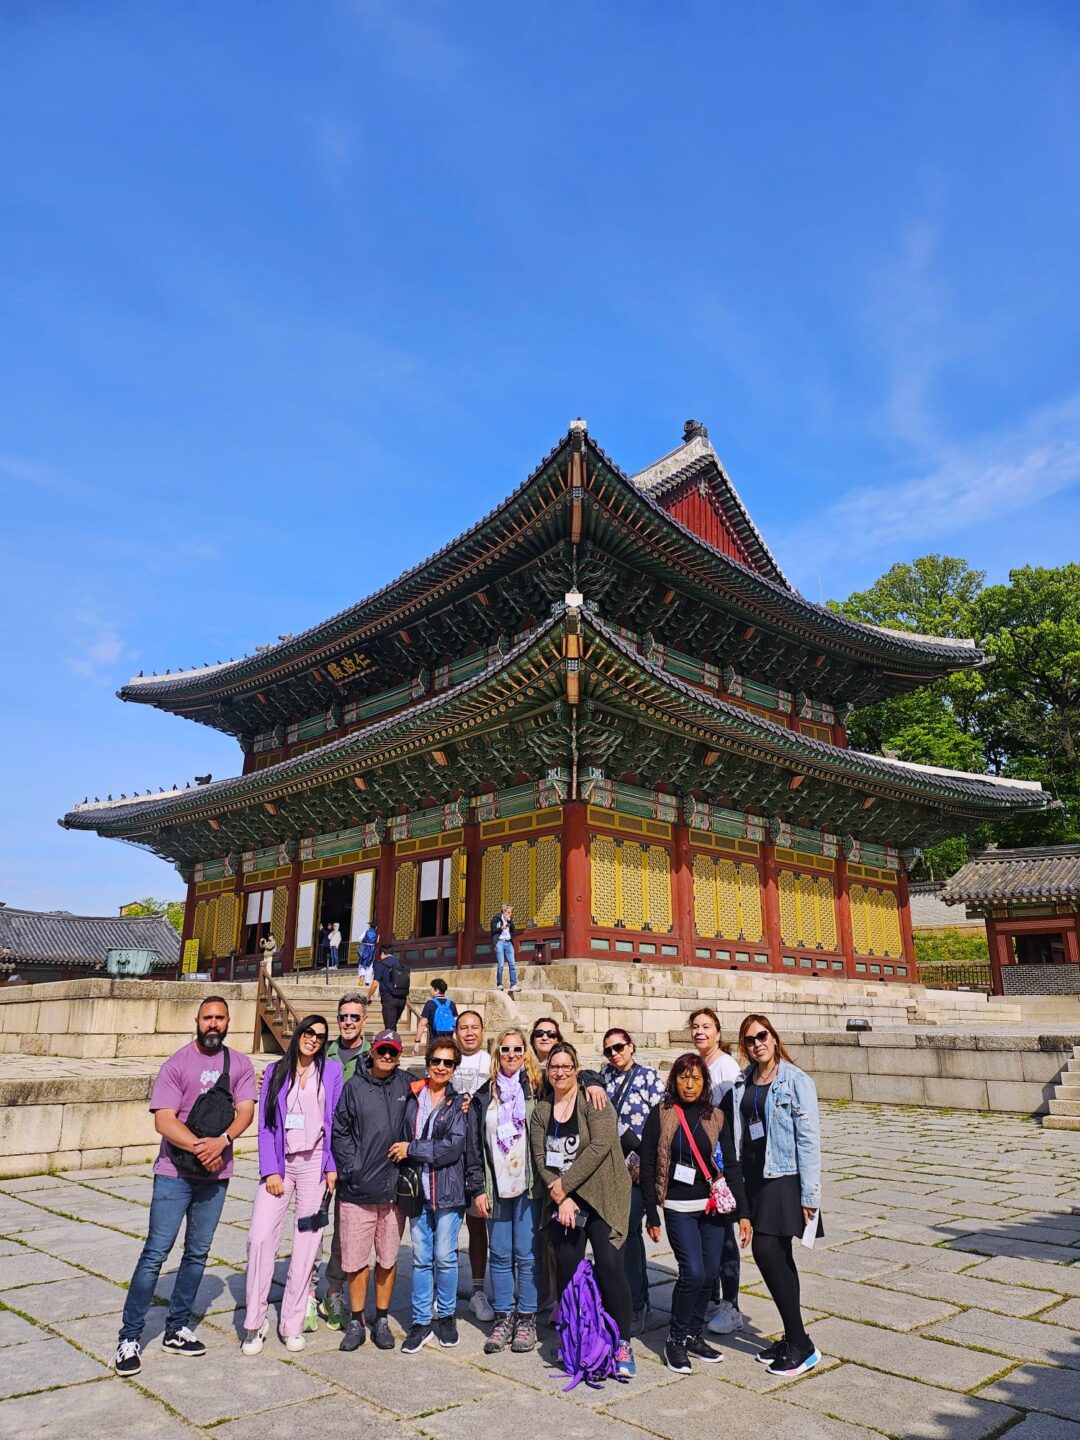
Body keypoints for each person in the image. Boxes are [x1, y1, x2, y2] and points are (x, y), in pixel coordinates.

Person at [113, 997, 256, 1377]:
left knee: (198, 1253)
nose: (213, 1024)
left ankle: (177, 1327)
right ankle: (129, 1336)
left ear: (228, 1023)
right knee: (155, 1253)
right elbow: (163, 1120)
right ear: (197, 1021)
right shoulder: (177, 1064)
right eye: (207, 1017)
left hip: (216, 1175)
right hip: (174, 1174)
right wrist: (201, 1147)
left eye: (219, 1018)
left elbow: (245, 1109)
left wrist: (222, 1141)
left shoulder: (239, 1063)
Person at [530, 1042, 636, 1379]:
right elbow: (539, 1157)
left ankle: (623, 1342)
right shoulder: (542, 1110)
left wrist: (565, 1185)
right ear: (547, 1071)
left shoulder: (594, 1099)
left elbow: (602, 1145)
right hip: (566, 1201)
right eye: (554, 1067)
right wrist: (561, 1195)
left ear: (576, 1068)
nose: (560, 1072)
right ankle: (575, 1336)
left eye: (566, 1066)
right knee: (566, 1267)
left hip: (602, 1193)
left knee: (610, 1265)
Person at [639, 1053, 751, 1374]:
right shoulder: (661, 1114)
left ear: (705, 1083)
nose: (689, 1084)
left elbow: (730, 1165)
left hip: (712, 1207)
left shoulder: (715, 1116)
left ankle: (693, 1334)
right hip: (678, 1207)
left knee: (710, 1274)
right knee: (693, 1272)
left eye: (696, 1078)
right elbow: (648, 1164)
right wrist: (652, 1213)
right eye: (683, 1078)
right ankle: (674, 1338)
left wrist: (743, 1213)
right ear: (675, 1080)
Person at [242, 1015, 342, 1355]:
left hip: (314, 1162)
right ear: (298, 1033)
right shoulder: (274, 1072)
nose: (313, 1040)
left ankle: (292, 1321)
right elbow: (266, 1125)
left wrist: (331, 1165)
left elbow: (336, 1122)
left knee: (307, 1243)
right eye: (309, 1033)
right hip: (281, 1165)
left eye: (320, 1037)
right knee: (259, 1238)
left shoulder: (330, 1072)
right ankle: (254, 1322)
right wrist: (270, 1169)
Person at [731, 1013, 822, 1378]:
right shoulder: (743, 1081)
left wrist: (810, 1193)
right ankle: (794, 1336)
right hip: (754, 1175)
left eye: (762, 1036)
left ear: (774, 1037)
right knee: (779, 1256)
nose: (757, 1044)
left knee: (766, 1250)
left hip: (783, 1175)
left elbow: (809, 1138)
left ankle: (801, 1345)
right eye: (750, 1040)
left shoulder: (796, 1080)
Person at [330, 1028, 413, 1352]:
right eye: (383, 1051)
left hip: (393, 1190)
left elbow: (440, 1092)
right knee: (354, 1260)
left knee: (388, 1258)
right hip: (359, 1189)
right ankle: (356, 1319)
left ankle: (381, 1317)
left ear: (399, 1054)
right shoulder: (355, 1087)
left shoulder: (407, 1083)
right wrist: (352, 1168)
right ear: (373, 1051)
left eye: (393, 1052)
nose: (387, 1057)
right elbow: (341, 1130)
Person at [465, 1028, 544, 1355]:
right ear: (496, 1055)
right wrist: (477, 1188)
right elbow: (472, 1145)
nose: (511, 1055)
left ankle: (526, 1317)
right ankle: (504, 1315)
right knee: (499, 1253)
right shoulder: (484, 1095)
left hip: (527, 1186)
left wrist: (593, 1082)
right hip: (496, 1185)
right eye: (505, 1050)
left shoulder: (537, 1089)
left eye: (517, 1049)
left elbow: (576, 1077)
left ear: (525, 1053)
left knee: (525, 1254)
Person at [389, 1038, 469, 1354]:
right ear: (428, 1062)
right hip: (417, 1189)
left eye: (448, 1063)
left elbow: (453, 1147)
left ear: (454, 1068)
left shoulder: (458, 1103)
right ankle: (422, 1320)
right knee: (422, 1258)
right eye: (436, 1061)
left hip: (448, 1190)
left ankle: (446, 1315)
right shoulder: (412, 1096)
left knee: (445, 1257)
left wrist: (412, 1149)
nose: (440, 1067)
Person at [600, 1027, 664, 1333]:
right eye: (609, 1050)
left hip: (639, 1168)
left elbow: (660, 1121)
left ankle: (638, 1303)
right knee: (615, 1234)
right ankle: (619, 1297)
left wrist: (642, 1163)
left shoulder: (649, 1077)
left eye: (619, 1047)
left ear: (631, 1046)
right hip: (609, 1168)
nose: (615, 1054)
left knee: (630, 1232)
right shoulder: (604, 1076)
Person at [314, 992, 370, 1331]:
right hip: (320, 1149)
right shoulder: (323, 1052)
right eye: (343, 1017)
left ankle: (334, 1290)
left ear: (365, 1020)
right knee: (310, 1223)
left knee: (345, 1230)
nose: (348, 1022)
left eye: (354, 1017)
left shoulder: (375, 1055)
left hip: (355, 1154)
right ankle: (305, 1288)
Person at [690, 1007, 744, 1337]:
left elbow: (732, 1121)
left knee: (724, 1236)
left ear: (718, 1033)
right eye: (695, 1026)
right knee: (704, 1232)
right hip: (698, 1162)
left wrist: (728, 1168)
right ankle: (710, 1297)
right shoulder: (696, 1064)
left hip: (720, 1163)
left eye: (706, 1027)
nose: (700, 1032)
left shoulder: (726, 1067)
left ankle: (732, 1305)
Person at [452, 1010, 495, 1322]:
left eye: (474, 1027)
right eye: (463, 1028)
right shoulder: (445, 1059)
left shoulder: (492, 1062)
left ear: (483, 1031)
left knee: (481, 1223)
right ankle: (442, 1290)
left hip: (485, 1154)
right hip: (451, 1155)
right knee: (447, 1226)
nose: (469, 1033)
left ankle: (479, 1290)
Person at [366, 945, 410, 1031]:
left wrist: (368, 996)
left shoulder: (381, 964)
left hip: (389, 999)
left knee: (389, 1027)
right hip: (402, 998)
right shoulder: (400, 963)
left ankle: (392, 1043)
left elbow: (375, 984)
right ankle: (395, 1042)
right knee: (393, 1026)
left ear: (382, 953)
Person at [414, 977, 458, 1053]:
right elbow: (456, 1023)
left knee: (434, 1059)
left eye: (432, 988)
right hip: (449, 1040)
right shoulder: (451, 1004)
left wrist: (417, 1042)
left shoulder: (430, 1003)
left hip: (435, 1040)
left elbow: (422, 1023)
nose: (430, 991)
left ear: (436, 990)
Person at [490, 903, 518, 995]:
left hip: (508, 942)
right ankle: (499, 984)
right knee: (501, 964)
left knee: (512, 964)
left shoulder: (509, 919)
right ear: (504, 912)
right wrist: (501, 928)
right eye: (508, 912)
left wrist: (509, 921)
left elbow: (513, 930)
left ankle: (513, 984)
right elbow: (493, 930)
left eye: (510, 912)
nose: (510, 914)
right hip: (500, 942)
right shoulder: (496, 918)